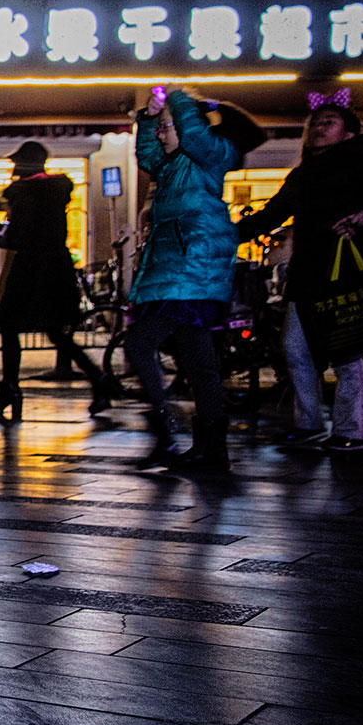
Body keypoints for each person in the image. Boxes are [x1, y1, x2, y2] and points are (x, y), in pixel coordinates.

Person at [233, 98, 363, 452]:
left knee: (346, 351)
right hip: (308, 273)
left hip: (346, 273)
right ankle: (309, 422)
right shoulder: (303, 174)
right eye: (314, 123)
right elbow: (272, 214)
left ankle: (351, 430)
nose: (318, 128)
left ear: (349, 132)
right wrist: (226, 234)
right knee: (295, 348)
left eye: (328, 122)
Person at [123, 86, 258, 473]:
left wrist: (181, 100)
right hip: (177, 269)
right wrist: (149, 118)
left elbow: (194, 134)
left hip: (191, 269)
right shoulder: (171, 166)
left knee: (140, 342)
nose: (163, 133)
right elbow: (147, 153)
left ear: (189, 127)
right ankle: (211, 448)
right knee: (199, 360)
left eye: (168, 127)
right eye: (162, 128)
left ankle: (166, 430)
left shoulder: (211, 155)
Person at [0, 140, 120, 421]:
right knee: (58, 334)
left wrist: (5, 236)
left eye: (16, 162)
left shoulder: (24, 194)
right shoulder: (56, 191)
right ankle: (98, 379)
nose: (13, 167)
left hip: (29, 271)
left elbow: (18, 235)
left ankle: (10, 389)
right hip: (56, 272)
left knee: (9, 328)